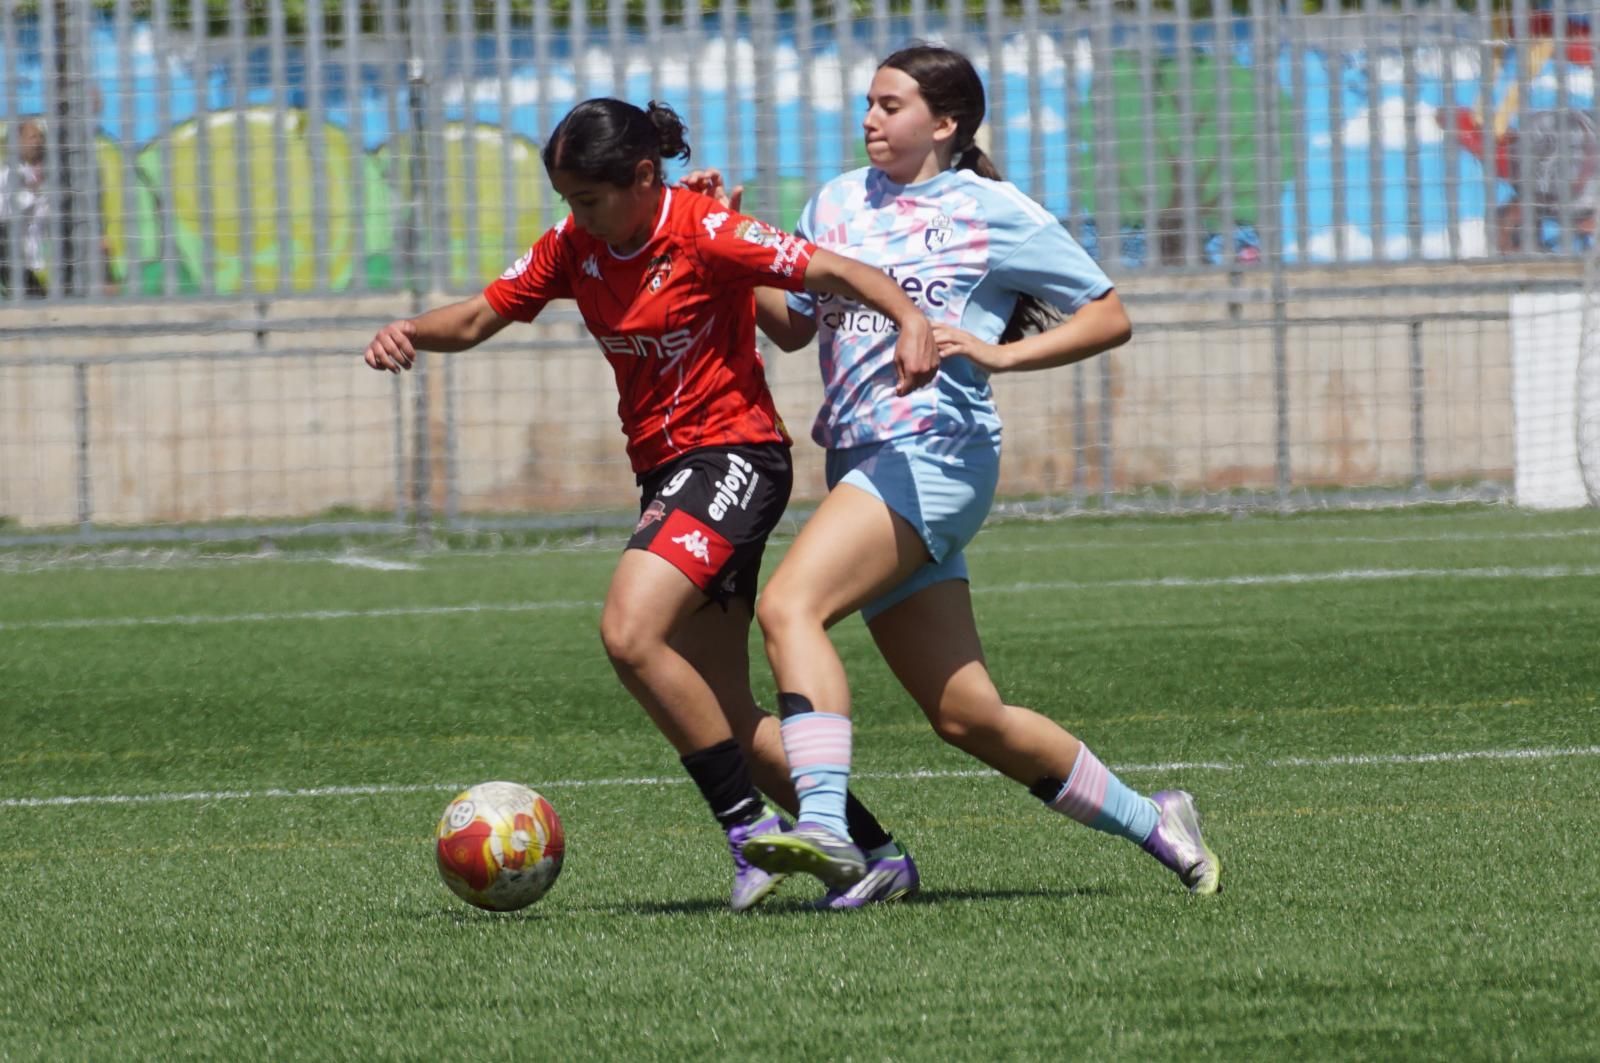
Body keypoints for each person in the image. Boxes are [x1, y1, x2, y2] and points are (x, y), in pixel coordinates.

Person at [362, 97, 937, 911]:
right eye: (566, 201)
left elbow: (834, 271)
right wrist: (410, 331)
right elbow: (482, 314)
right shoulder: (576, 246)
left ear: (641, 176)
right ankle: (879, 854)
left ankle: (746, 835)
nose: (576, 217)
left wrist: (909, 318)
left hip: (734, 455)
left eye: (588, 200)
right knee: (731, 720)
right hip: (666, 472)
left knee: (630, 630)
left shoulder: (703, 228)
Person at [689, 44, 1221, 897]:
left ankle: (827, 829)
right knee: (968, 715)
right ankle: (1158, 821)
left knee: (791, 606)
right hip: (865, 464)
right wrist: (737, 246)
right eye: (868, 102)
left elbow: (1109, 314)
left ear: (945, 123)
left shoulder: (990, 208)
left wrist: (1002, 357)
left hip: (935, 453)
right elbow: (791, 326)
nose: (871, 118)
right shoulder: (834, 200)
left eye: (891, 105)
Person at [0, 117, 50, 298]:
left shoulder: (48, 172)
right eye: (32, 137)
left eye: (40, 137)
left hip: (45, 258)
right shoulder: (6, 176)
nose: (38, 142)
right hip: (20, 261)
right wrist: (31, 194)